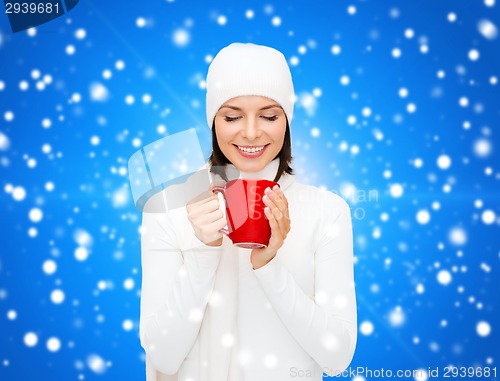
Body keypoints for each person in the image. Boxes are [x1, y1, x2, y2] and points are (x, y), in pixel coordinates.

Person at [139, 42, 357, 381]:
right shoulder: (167, 209)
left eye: (269, 116)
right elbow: (163, 357)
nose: (252, 132)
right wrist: (203, 253)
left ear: (287, 120)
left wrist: (269, 267)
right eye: (232, 116)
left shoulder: (327, 212)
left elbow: (337, 356)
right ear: (213, 121)